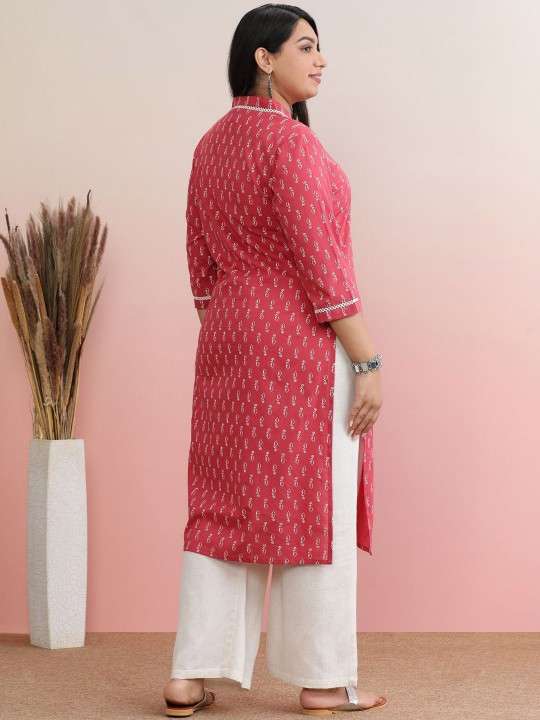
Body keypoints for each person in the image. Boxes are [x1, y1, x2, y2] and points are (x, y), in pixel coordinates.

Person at [163, 4, 386, 716]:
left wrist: (231, 328)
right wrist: (368, 361)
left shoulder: (210, 145)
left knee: (220, 504)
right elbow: (321, 263)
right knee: (313, 503)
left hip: (226, 337)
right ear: (264, 57)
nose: (320, 61)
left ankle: (188, 676)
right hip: (299, 344)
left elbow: (199, 265)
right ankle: (322, 680)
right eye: (306, 47)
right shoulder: (291, 144)